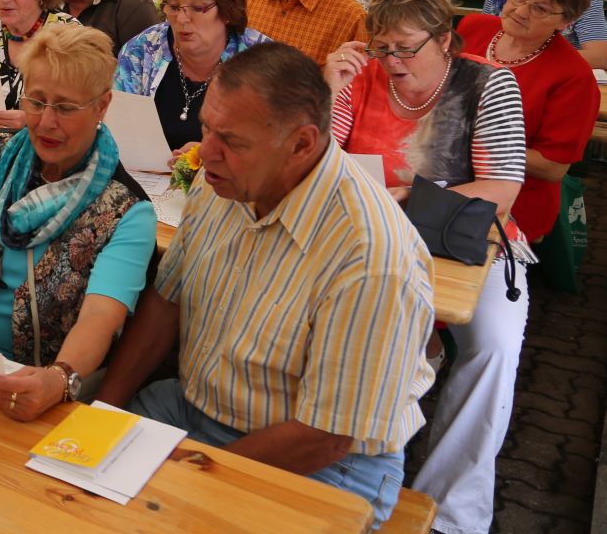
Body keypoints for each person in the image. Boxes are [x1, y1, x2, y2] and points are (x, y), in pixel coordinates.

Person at [96, 43, 434, 529]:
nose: (204, 151)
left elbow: (328, 435)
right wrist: (102, 412)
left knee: (159, 518)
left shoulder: (371, 258)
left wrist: (188, 477)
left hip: (327, 461)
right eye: (207, 127)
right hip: (196, 407)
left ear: (302, 143)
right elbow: (166, 302)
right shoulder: (225, 182)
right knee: (71, 480)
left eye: (230, 139)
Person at [324, 0, 527, 534]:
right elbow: (318, 160)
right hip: (370, 240)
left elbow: (503, 186)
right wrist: (327, 91)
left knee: (494, 348)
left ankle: (452, 510)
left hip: (467, 241)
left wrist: (417, 196)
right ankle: (341, 470)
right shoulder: (361, 77)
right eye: (380, 48)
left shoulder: (487, 82)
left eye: (406, 49)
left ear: (445, 41)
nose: (391, 62)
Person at [0, 25, 155, 418]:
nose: (46, 122)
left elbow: (100, 316)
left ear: (102, 107)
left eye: (66, 108)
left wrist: (57, 379)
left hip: (39, 383)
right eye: (36, 101)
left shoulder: (128, 211)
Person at [459, 0, 599, 247]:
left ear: (566, 21)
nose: (520, 11)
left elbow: (552, 166)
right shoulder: (473, 28)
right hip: (444, 177)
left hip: (513, 203)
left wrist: (469, 139)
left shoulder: (573, 76)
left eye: (540, 8)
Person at [115, 0, 268, 151]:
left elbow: (271, 143)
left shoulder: (259, 59)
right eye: (173, 7)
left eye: (197, 8)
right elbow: (120, 132)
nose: (182, 18)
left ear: (227, 10)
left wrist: (209, 154)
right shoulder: (141, 51)